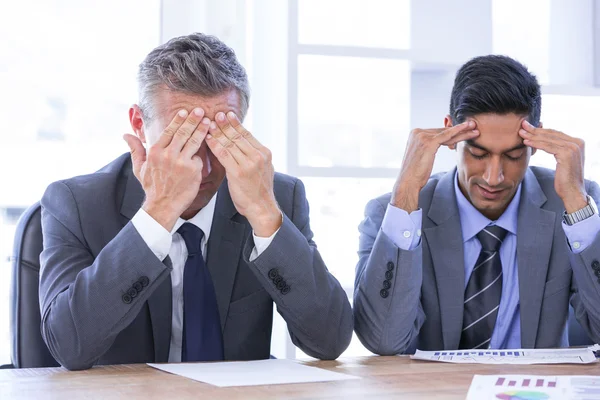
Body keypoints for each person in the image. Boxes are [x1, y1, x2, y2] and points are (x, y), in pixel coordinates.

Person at [39, 33, 352, 370]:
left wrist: (264, 215)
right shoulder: (76, 204)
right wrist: (158, 213)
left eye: (219, 141)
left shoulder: (276, 197)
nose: (202, 167)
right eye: (183, 140)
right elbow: (68, 345)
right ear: (139, 124)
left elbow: (329, 340)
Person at [354, 55, 600, 354]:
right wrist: (406, 192)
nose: (493, 177)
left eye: (512, 156)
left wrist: (577, 205)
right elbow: (383, 341)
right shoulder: (392, 214)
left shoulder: (573, 203)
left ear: (536, 142)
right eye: (478, 153)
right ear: (450, 134)